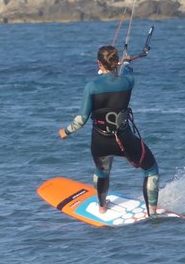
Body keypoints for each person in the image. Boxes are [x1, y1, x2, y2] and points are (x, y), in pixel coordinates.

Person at [58, 45, 161, 216]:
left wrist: (65, 132)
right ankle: (152, 213)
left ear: (99, 63)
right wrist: (126, 62)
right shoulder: (127, 82)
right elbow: (127, 71)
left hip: (100, 142)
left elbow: (81, 120)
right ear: (116, 62)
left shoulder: (91, 86)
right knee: (151, 170)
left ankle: (102, 207)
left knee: (102, 171)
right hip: (124, 140)